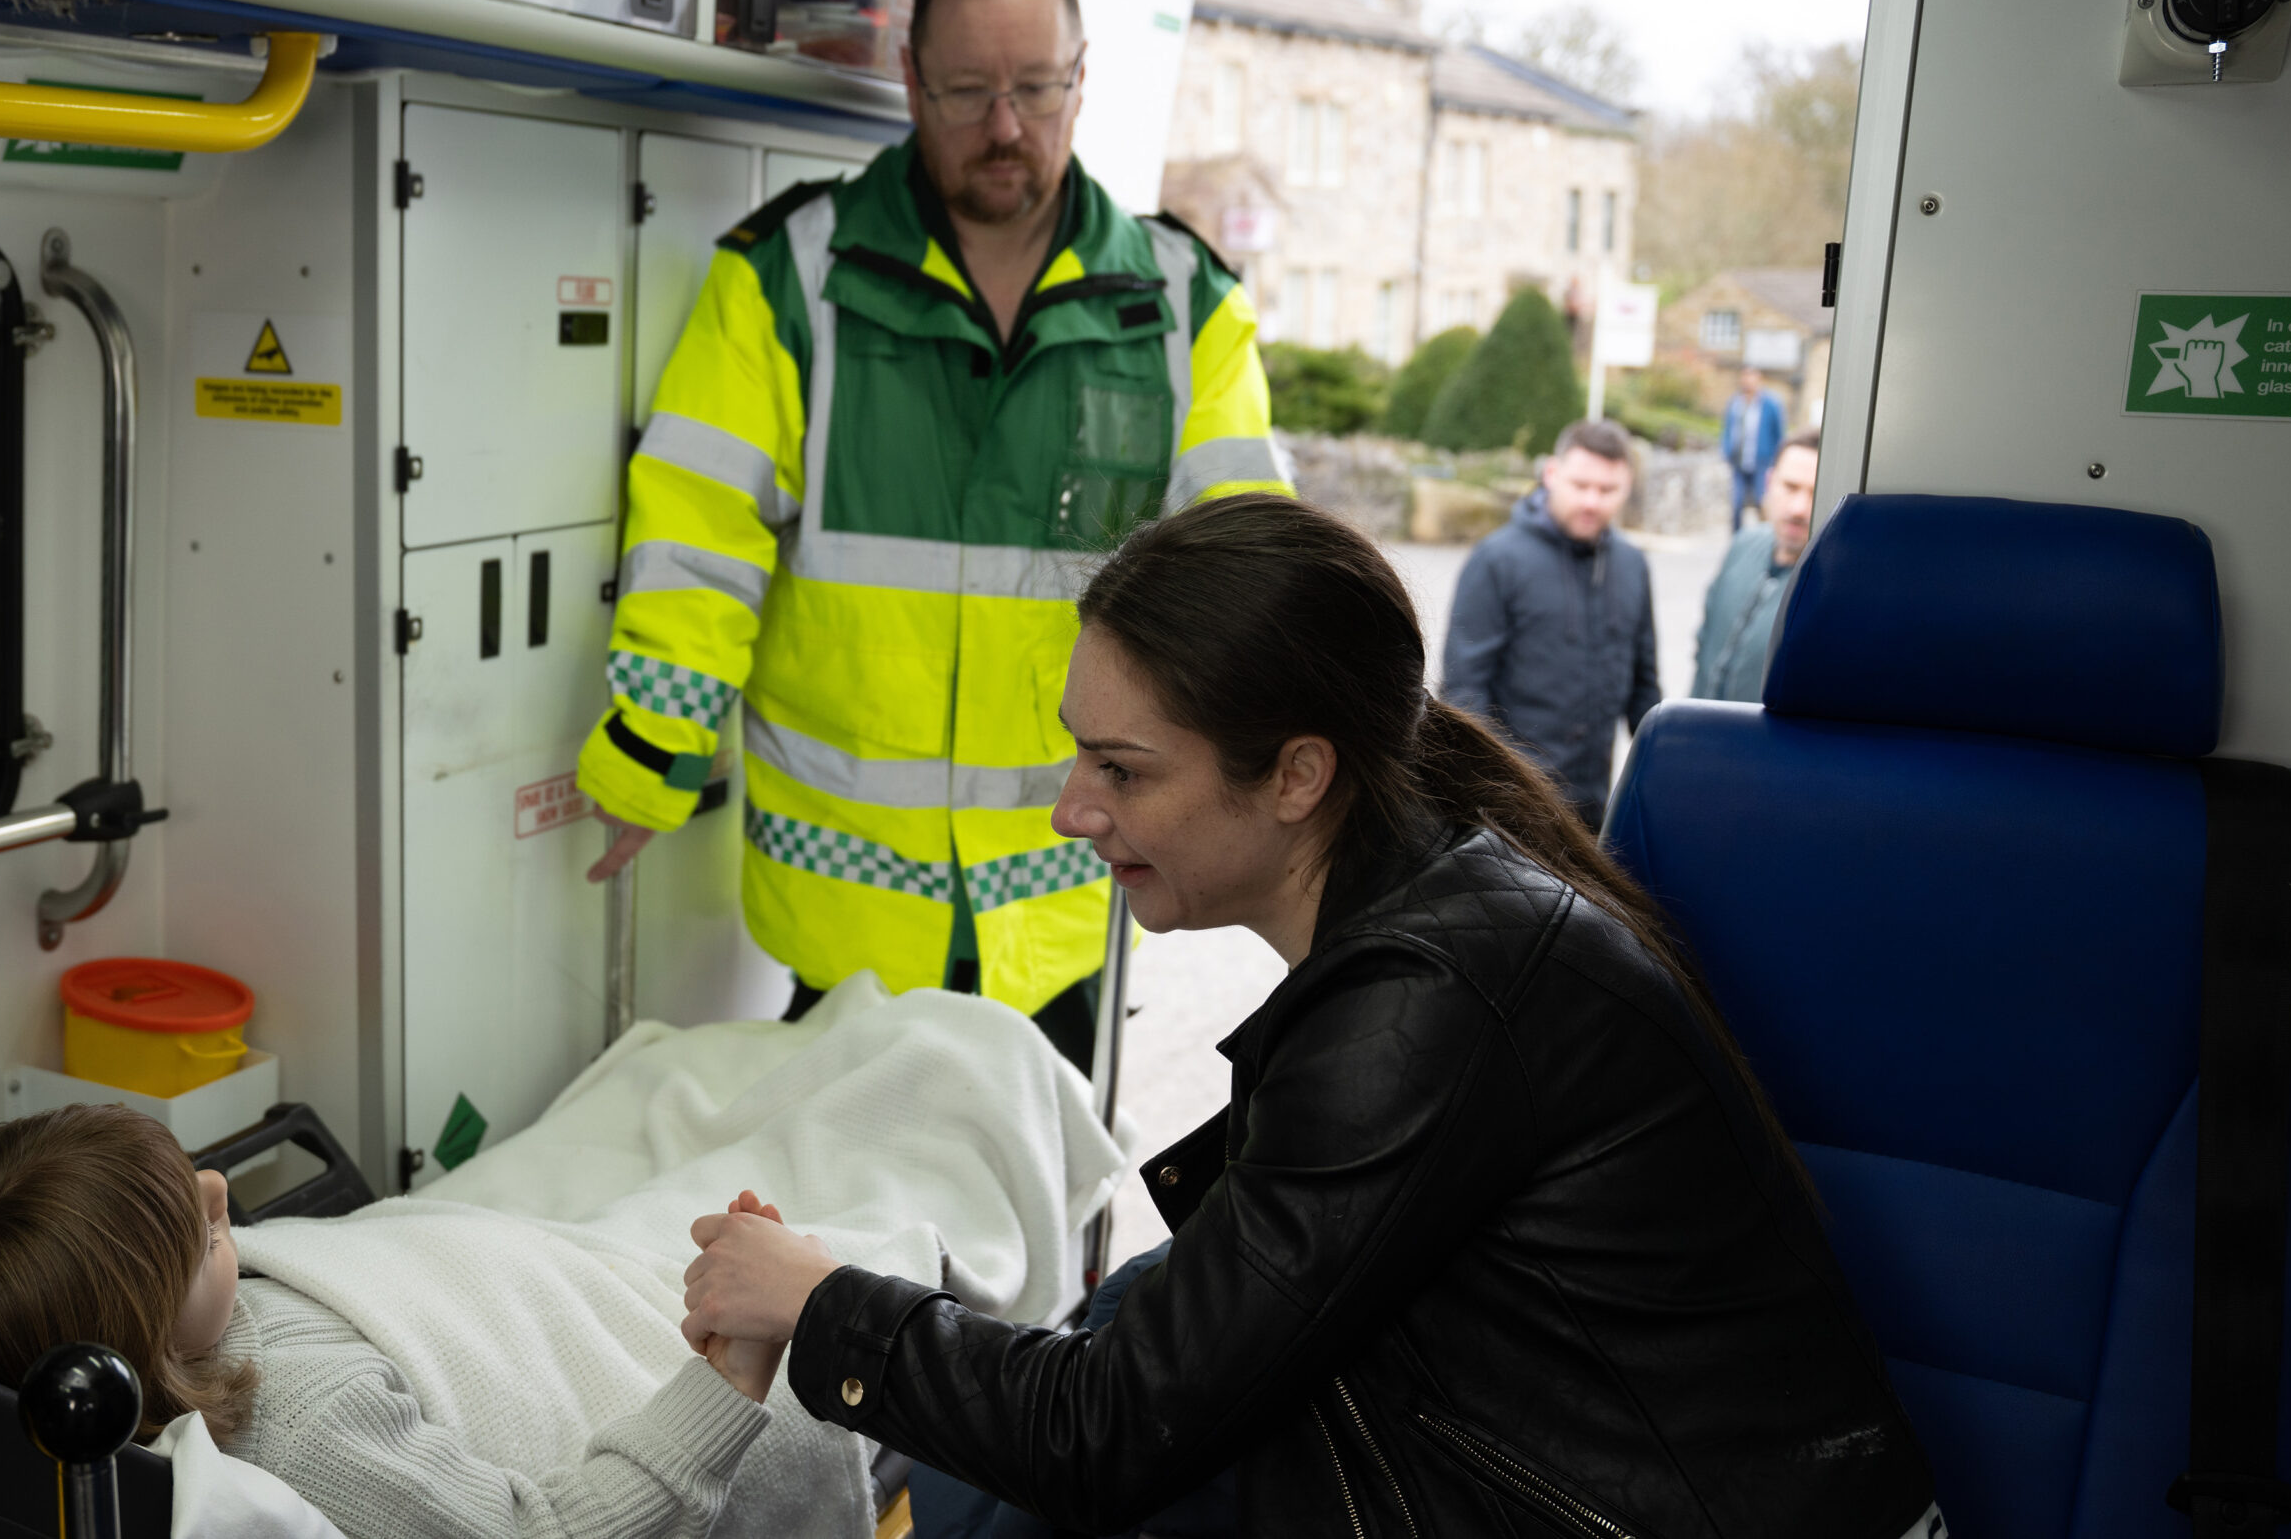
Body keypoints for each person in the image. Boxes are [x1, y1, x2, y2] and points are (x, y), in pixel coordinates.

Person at [677, 495, 1942, 1539]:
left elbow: (1110, 1428)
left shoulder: (1426, 1005)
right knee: (1125, 1320)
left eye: (1121, 768)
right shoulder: (1442, 903)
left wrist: (818, 1297)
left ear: (1296, 774)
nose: (1071, 808)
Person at [573, 0, 1289, 1063]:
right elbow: (697, 538)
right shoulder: (787, 280)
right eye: (967, 92)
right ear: (911, 81)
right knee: (827, 1223)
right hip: (840, 914)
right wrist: (651, 750)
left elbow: (1251, 576)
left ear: (1081, 78)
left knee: (1028, 1216)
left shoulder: (1186, 309)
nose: (1005, 126)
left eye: (1036, 88)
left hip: (1066, 900)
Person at [0, 1104, 799, 1539]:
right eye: (203, 1232)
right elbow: (543, 1533)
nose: (219, 1187)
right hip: (625, 1335)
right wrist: (733, 1376)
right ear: (147, 1354)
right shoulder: (305, 1427)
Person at [1439, 418, 1657, 829]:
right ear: (1551, 474)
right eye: (1580, 485)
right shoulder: (1496, 561)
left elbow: (1645, 688)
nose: (1592, 501)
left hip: (1593, 812)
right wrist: (1490, 797)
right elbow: (1464, 692)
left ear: (1626, 488)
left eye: (1607, 490)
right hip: (1510, 814)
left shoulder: (1632, 565)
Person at [1694, 427, 1820, 701]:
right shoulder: (1743, 545)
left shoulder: (1828, 587)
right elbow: (1704, 647)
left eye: (1814, 493)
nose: (1799, 508)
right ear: (1769, 482)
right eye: (1790, 487)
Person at [1721, 365, 1786, 532]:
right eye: (1745, 378)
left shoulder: (1771, 404)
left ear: (1759, 380)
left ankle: (1765, 538)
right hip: (1738, 462)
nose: (1748, 382)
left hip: (1762, 462)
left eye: (1752, 378)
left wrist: (1778, 460)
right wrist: (1726, 450)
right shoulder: (1735, 403)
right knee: (1736, 504)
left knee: (1761, 503)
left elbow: (1779, 434)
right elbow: (1728, 429)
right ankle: (1736, 540)